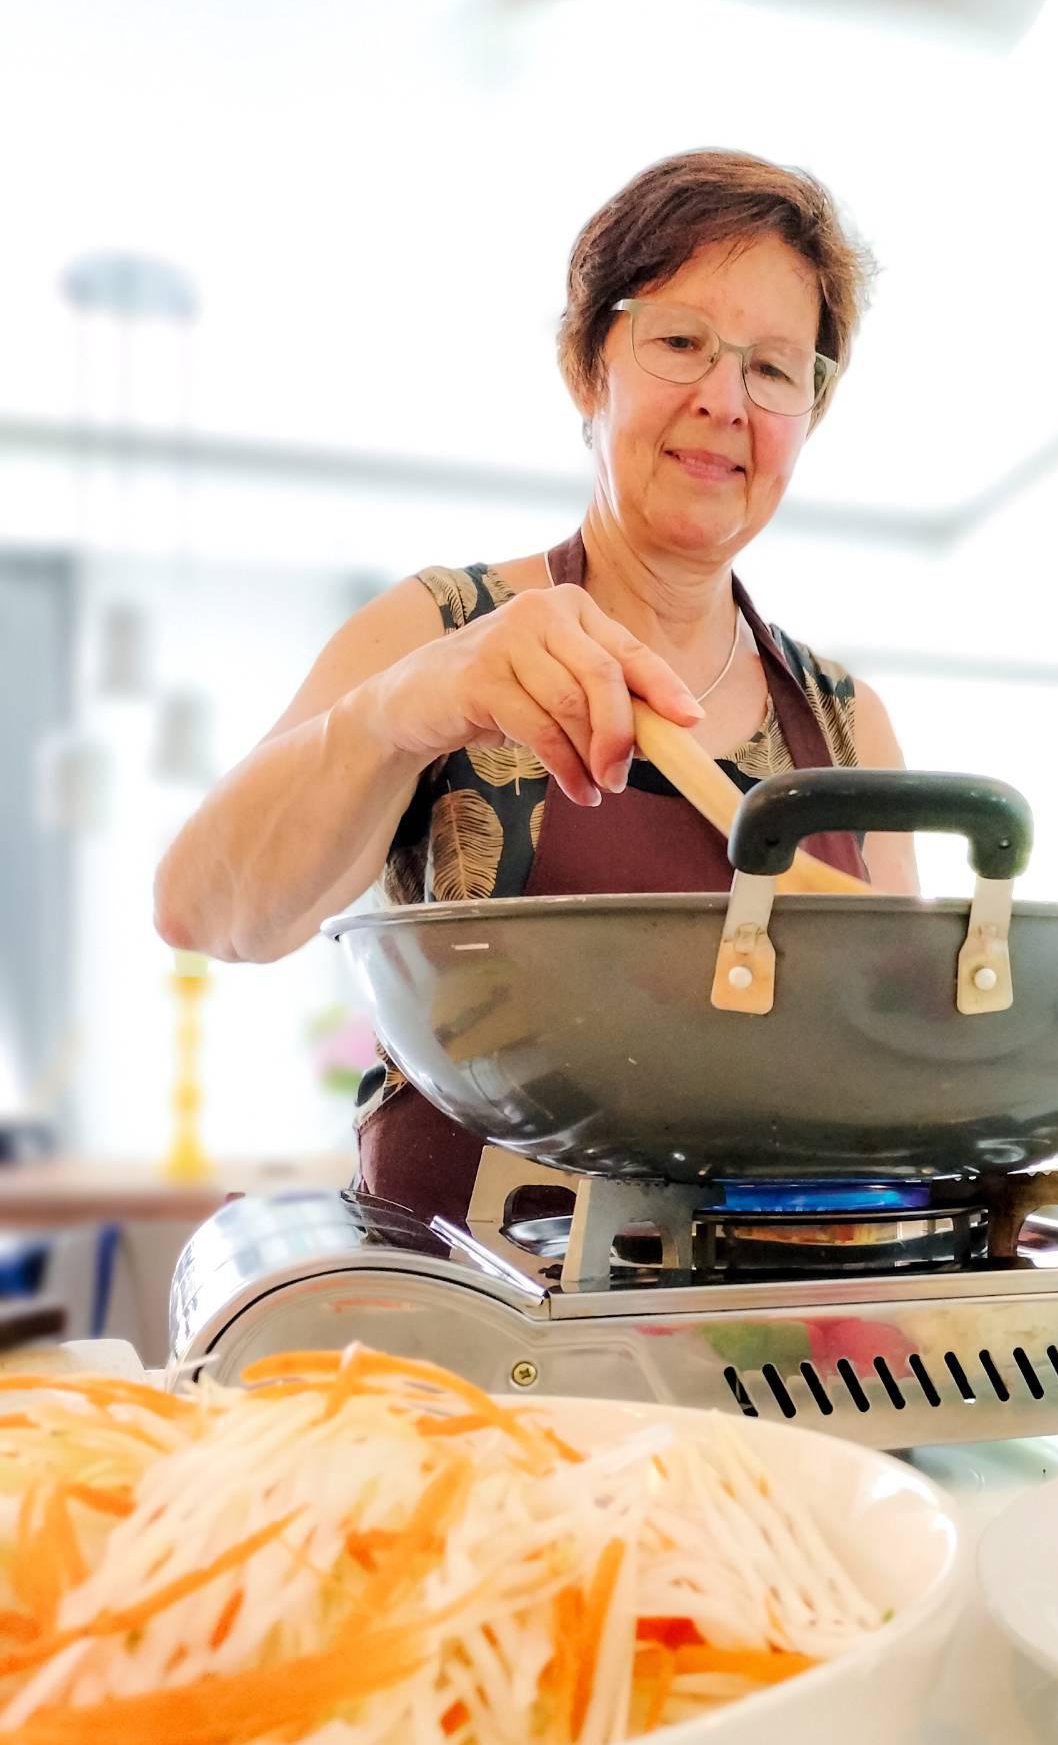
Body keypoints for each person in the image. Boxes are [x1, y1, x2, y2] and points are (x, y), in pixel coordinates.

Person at [156, 148, 915, 1223]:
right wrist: (400, 712)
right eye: (680, 343)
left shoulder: (846, 722)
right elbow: (204, 910)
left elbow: (900, 1061)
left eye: (775, 370)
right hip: (460, 1301)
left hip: (756, 1303)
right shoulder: (442, 629)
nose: (724, 400)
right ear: (586, 367)